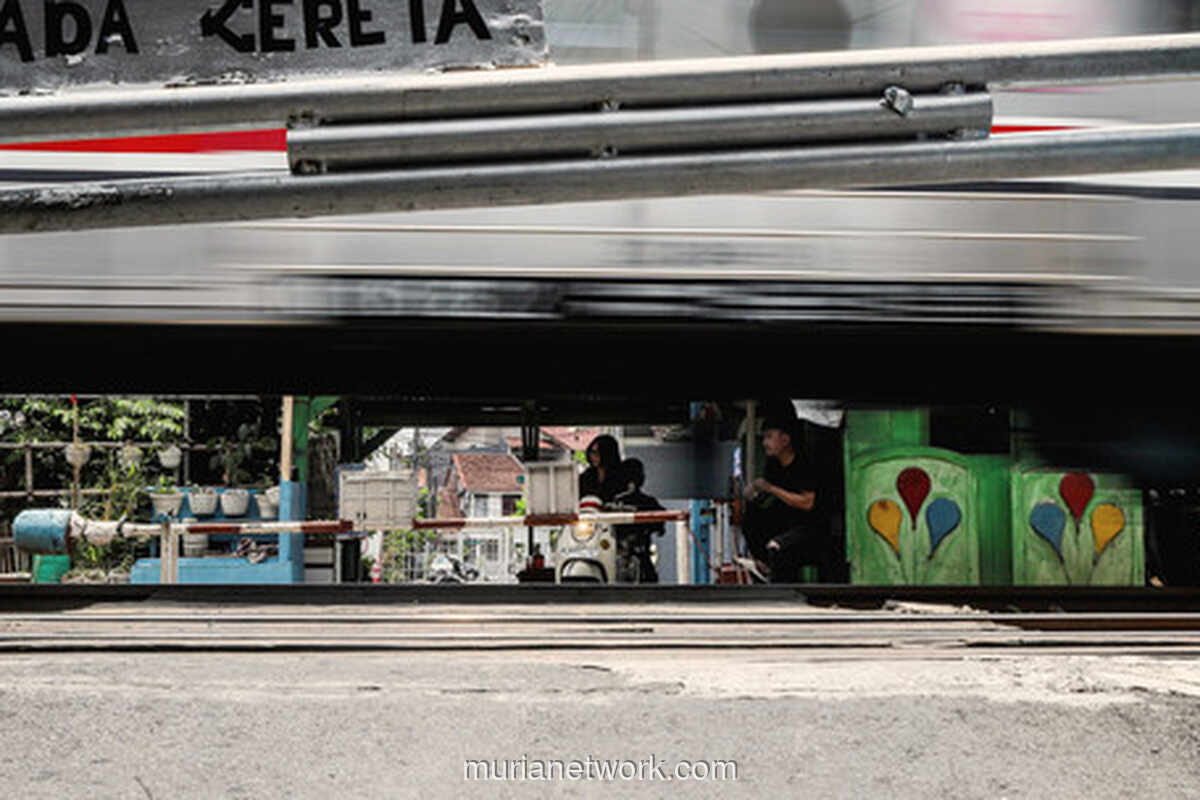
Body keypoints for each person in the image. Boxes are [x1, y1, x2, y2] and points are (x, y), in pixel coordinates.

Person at [741, 415, 827, 583]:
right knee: (751, 516)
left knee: (778, 547)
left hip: (808, 527)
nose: (764, 443)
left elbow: (807, 503)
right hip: (785, 522)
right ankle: (763, 564)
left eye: (769, 437)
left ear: (785, 440)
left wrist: (771, 489)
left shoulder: (803, 464)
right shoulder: (773, 465)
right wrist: (754, 492)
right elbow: (766, 496)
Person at [613, 458, 666, 583]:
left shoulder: (617, 501)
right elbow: (660, 527)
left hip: (638, 555)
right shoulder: (617, 502)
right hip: (627, 555)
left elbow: (660, 524)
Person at [579, 434, 625, 503]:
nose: (593, 456)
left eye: (597, 453)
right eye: (591, 452)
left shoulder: (621, 476)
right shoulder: (586, 476)